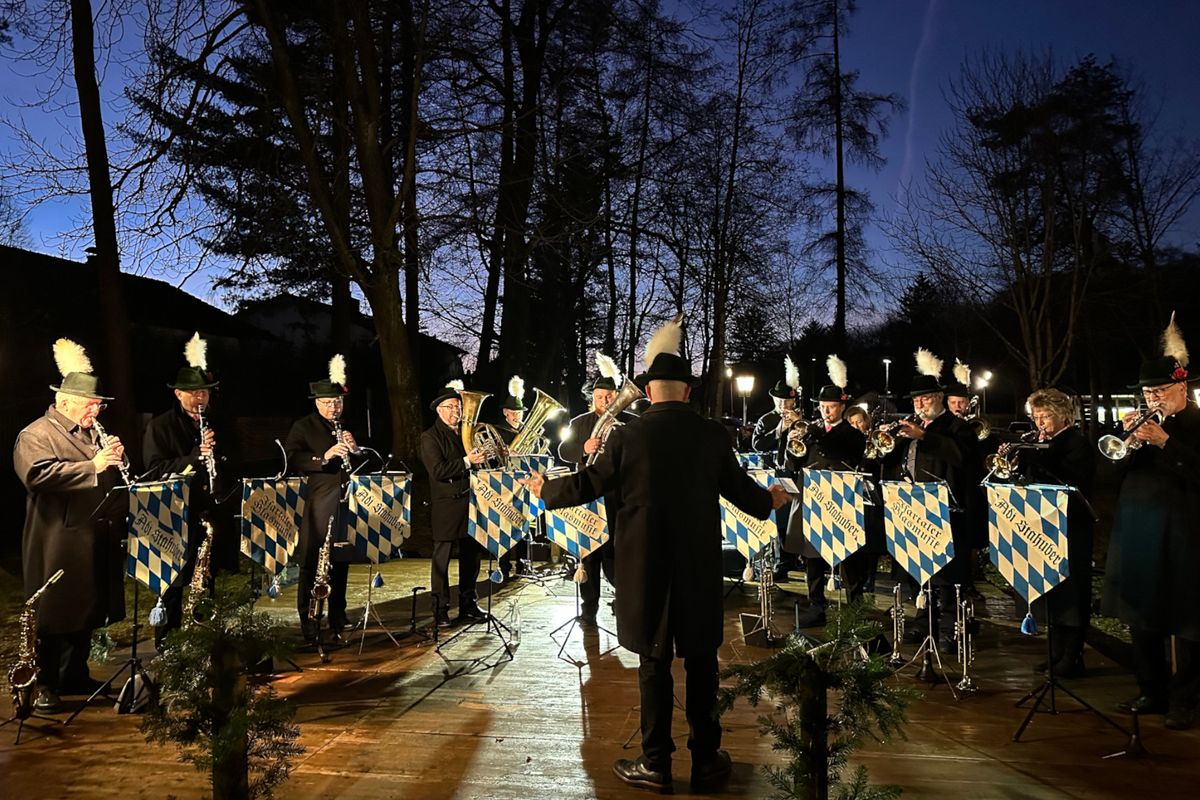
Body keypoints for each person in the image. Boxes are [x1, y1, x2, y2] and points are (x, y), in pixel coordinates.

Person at [525, 318, 789, 793]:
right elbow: (745, 495)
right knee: (702, 662)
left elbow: (589, 483)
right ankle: (707, 761)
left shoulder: (626, 437)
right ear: (687, 392)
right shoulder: (713, 436)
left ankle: (656, 763)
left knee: (653, 662)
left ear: (649, 392)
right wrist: (771, 499)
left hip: (644, 567)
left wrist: (547, 490)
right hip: (698, 568)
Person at [14, 339, 127, 711]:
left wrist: (112, 461)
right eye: (91, 403)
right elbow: (37, 474)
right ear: (65, 403)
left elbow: (103, 478)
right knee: (53, 611)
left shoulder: (92, 433)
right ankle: (43, 682)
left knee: (87, 606)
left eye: (99, 404)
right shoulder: (37, 434)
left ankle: (74, 674)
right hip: (56, 538)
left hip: (92, 533)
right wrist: (93, 467)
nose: (97, 409)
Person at [1102, 314, 1200, 730]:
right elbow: (1106, 478)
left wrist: (1166, 443)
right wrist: (1125, 443)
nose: (1152, 398)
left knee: (1189, 620)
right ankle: (1151, 689)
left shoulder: (1196, 425)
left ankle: (1186, 699)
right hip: (1139, 532)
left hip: (1184, 535)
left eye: (1159, 391)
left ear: (1182, 387)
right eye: (1146, 392)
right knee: (1140, 614)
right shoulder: (1141, 427)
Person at [882, 348, 976, 650]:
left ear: (939, 398)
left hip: (946, 510)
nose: (919, 405)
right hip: (911, 508)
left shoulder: (959, 427)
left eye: (925, 399)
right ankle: (924, 621)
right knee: (916, 569)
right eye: (915, 401)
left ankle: (951, 628)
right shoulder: (909, 425)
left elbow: (962, 457)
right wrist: (891, 440)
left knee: (947, 576)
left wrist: (924, 436)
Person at [142, 332, 230, 649]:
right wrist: (195, 458)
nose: (199, 398)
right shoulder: (160, 427)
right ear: (178, 394)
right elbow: (154, 470)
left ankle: (202, 639)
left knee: (206, 579)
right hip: (173, 516)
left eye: (204, 392)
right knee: (174, 585)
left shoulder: (217, 422)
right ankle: (168, 647)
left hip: (209, 512)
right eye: (192, 393)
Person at [1017, 388, 1095, 677]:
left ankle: (1073, 656)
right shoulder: (1043, 442)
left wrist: (1039, 458)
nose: (1040, 423)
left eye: (1046, 416)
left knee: (1072, 592)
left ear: (1062, 416)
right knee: (1053, 590)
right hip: (1046, 527)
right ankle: (1056, 652)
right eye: (1036, 417)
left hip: (1072, 527)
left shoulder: (1076, 443)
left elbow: (1072, 481)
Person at [783, 356, 866, 626]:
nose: (825, 412)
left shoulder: (851, 433)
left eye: (831, 407)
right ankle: (816, 607)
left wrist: (810, 431)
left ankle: (855, 608)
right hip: (814, 499)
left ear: (842, 407)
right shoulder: (813, 430)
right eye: (822, 407)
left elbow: (835, 449)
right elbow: (794, 462)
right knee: (812, 556)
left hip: (841, 500)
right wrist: (792, 443)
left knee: (848, 556)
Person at [285, 355, 359, 643]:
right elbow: (292, 458)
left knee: (340, 559)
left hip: (344, 501)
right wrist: (324, 457)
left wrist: (354, 449)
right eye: (329, 403)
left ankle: (338, 615)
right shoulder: (303, 427)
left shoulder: (344, 425)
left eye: (338, 403)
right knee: (312, 562)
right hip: (317, 503)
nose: (334, 407)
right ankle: (309, 620)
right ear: (317, 403)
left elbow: (359, 461)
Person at [557, 353, 632, 625]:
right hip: (588, 497)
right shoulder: (580, 422)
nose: (605, 401)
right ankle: (589, 610)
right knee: (588, 557)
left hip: (617, 498)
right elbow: (564, 451)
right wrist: (583, 448)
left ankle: (623, 602)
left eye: (609, 396)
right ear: (593, 398)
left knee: (616, 555)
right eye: (600, 397)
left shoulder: (630, 422)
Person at [420, 381, 490, 627]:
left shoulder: (466, 434)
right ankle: (439, 609)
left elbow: (476, 462)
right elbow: (438, 471)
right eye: (450, 407)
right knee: (442, 561)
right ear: (439, 410)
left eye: (458, 407)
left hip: (472, 504)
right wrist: (468, 461)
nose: (456, 412)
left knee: (472, 559)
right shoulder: (429, 437)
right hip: (447, 506)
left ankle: (468, 605)